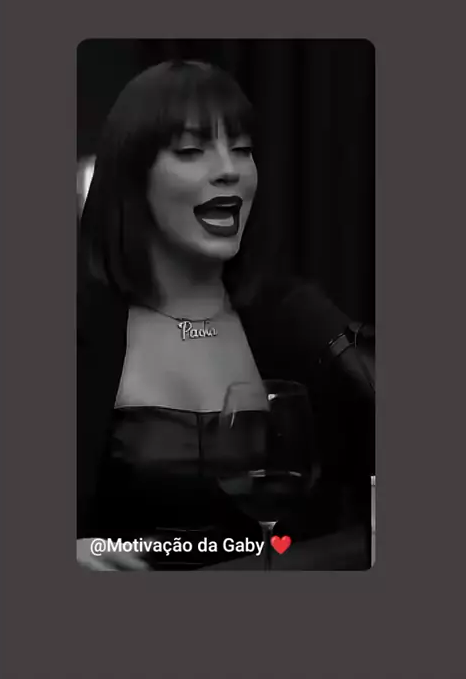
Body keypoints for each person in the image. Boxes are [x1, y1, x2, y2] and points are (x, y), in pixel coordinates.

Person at [77, 59, 374, 571]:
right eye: (191, 151)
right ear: (131, 177)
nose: (229, 169)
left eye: (242, 149)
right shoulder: (79, 326)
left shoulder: (293, 320)